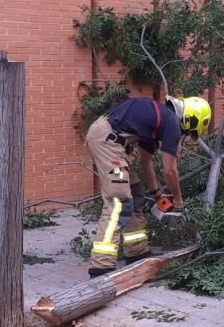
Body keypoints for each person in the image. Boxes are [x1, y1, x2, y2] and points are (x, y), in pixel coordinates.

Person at [85, 95, 211, 278]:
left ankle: (137, 252)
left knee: (135, 194)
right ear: (189, 119)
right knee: (118, 201)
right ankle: (101, 266)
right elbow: (170, 170)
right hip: (108, 144)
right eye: (189, 131)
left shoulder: (157, 119)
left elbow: (146, 161)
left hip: (111, 143)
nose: (185, 135)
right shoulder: (171, 123)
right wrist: (177, 199)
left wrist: (158, 194)